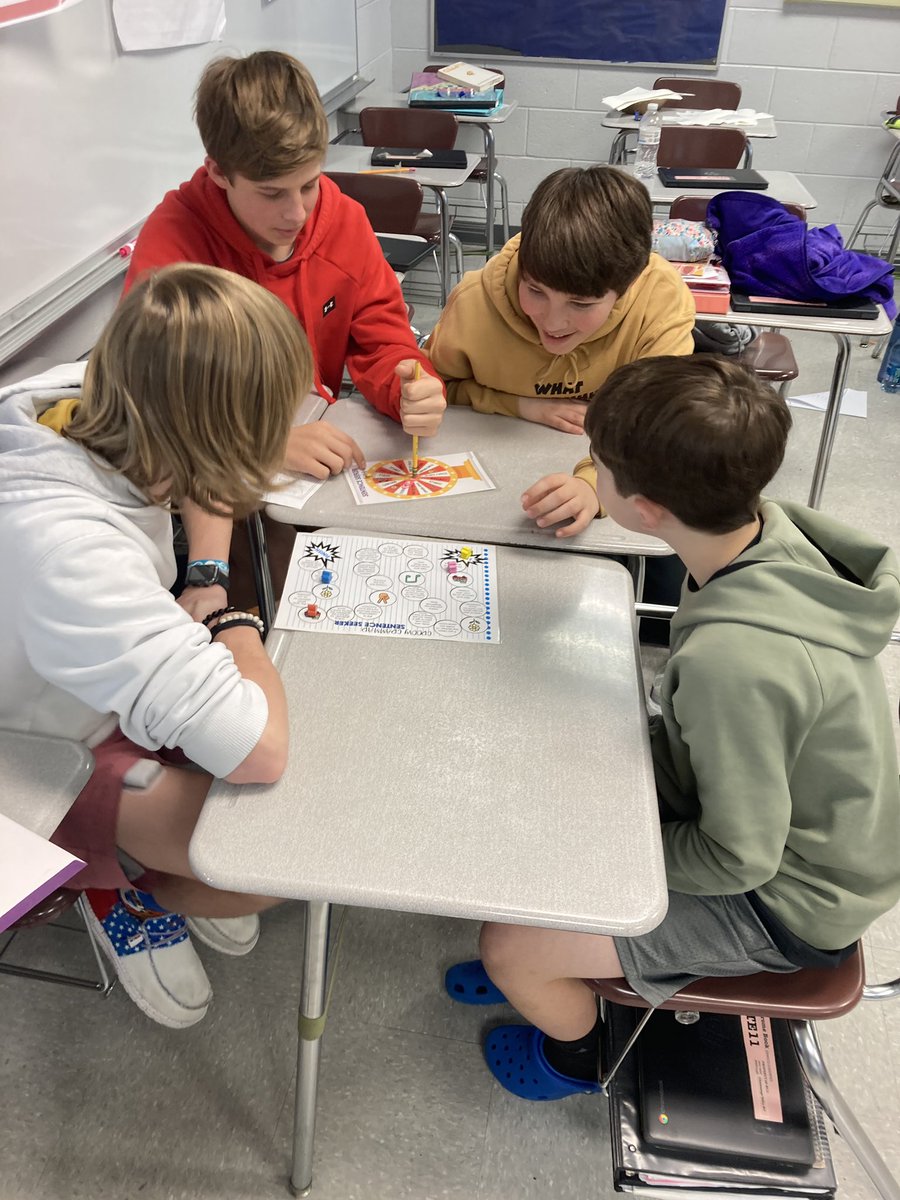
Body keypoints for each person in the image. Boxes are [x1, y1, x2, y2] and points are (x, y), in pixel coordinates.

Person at [443, 355, 900, 1101]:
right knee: (544, 791)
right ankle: (566, 955)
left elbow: (738, 858)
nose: (593, 477)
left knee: (510, 945)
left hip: (791, 901)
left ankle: (578, 1053)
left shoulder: (738, 663)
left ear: (645, 506)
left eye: (601, 469)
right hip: (773, 819)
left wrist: (602, 849)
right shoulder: (756, 535)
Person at [0, 264, 314, 1030]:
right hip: (33, 740)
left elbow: (206, 481)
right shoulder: (69, 551)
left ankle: (124, 861)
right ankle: (108, 886)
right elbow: (260, 751)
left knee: (239, 794)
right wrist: (232, 619)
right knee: (270, 856)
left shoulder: (82, 392)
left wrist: (203, 580)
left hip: (71, 673)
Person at [124, 50, 445, 616]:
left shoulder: (341, 219)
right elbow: (152, 406)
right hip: (215, 477)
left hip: (315, 453)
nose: (297, 213)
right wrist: (263, 446)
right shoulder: (174, 249)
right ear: (219, 171)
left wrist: (408, 388)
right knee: (277, 597)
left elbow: (384, 339)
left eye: (310, 185)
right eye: (272, 193)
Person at [426, 165, 695, 540]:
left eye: (581, 304)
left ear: (627, 287)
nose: (552, 323)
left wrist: (593, 484)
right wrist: (518, 405)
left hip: (616, 490)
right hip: (485, 494)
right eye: (535, 291)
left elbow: (662, 431)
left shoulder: (661, 302)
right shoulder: (474, 302)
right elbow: (436, 389)